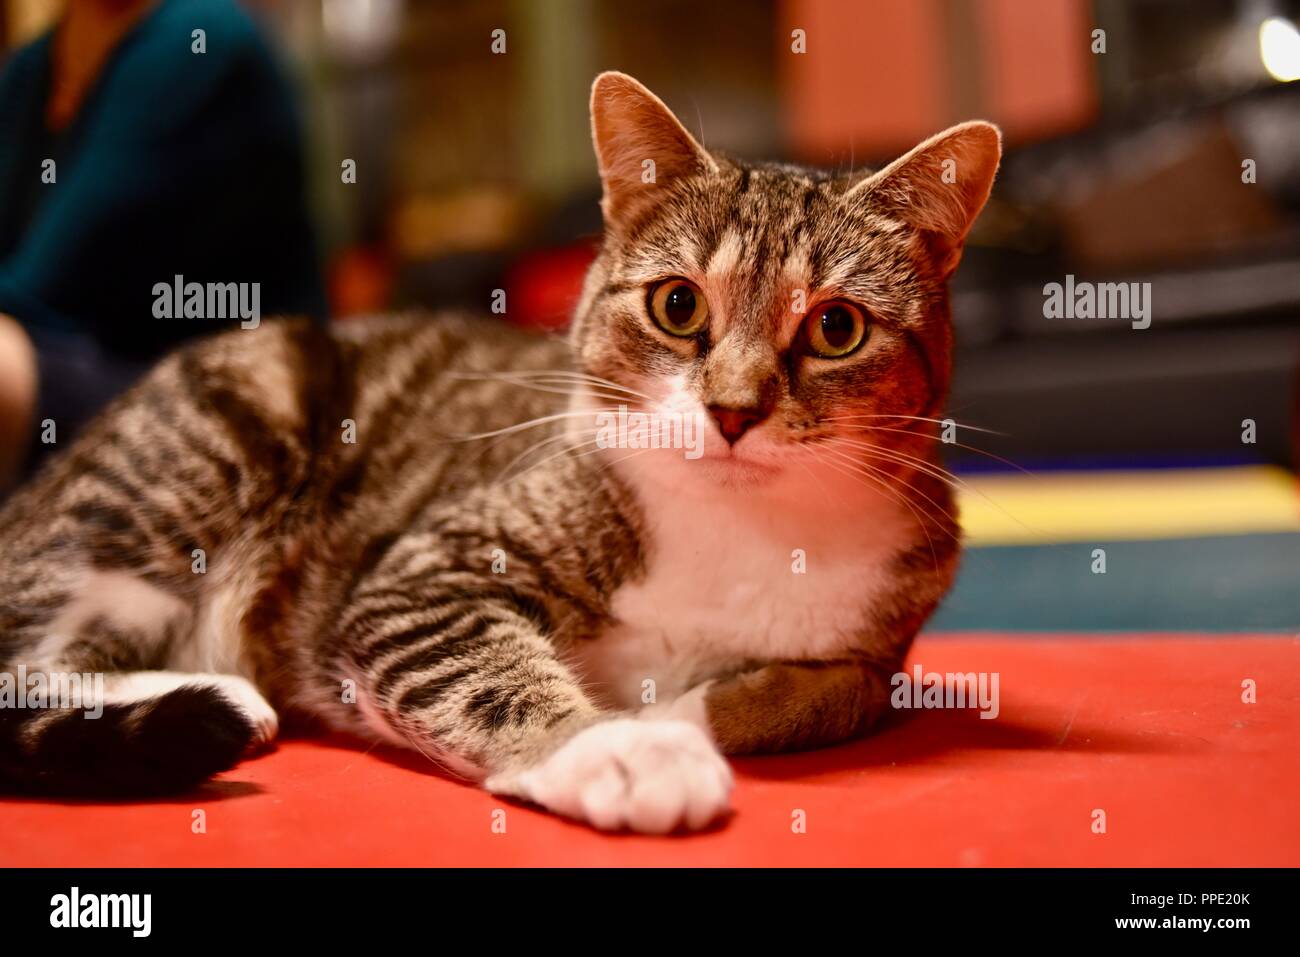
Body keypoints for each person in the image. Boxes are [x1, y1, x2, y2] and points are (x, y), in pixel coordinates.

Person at [0, 0, 325, 487]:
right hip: (96, 392)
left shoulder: (201, 38)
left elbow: (39, 290)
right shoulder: (30, 71)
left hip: (239, 424)